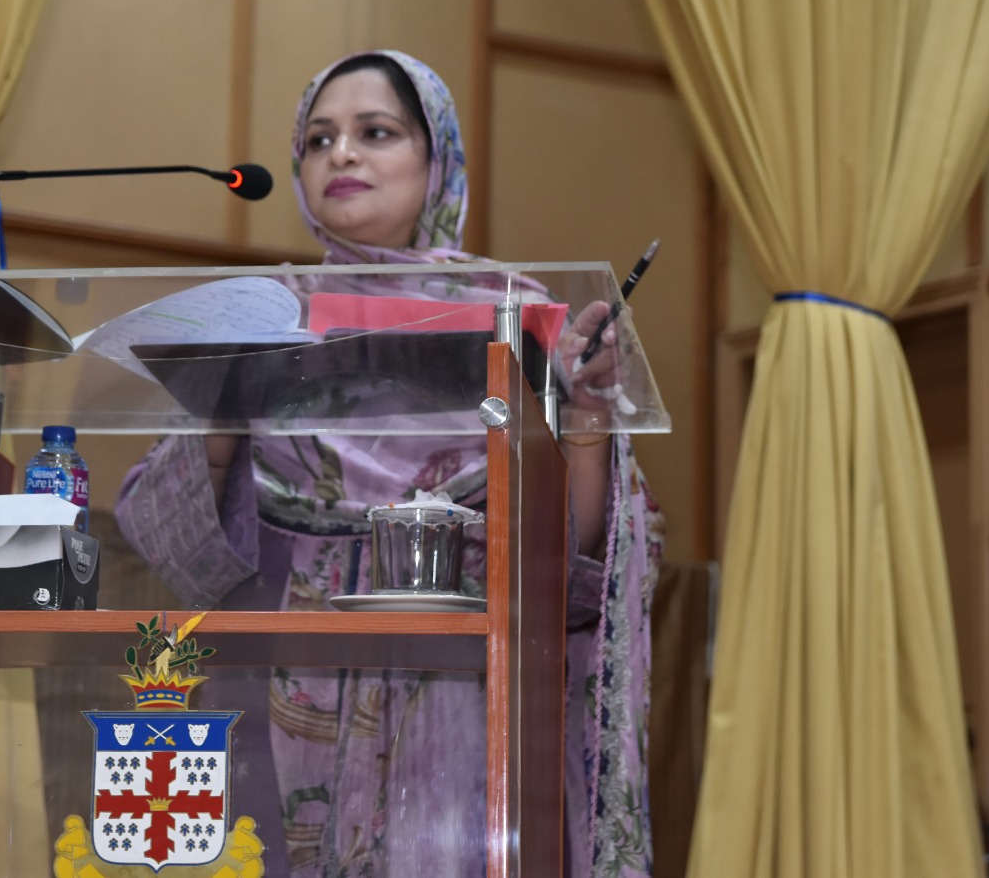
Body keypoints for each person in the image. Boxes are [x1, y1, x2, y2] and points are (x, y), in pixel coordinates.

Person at [115, 50, 660, 877]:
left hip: (461, 691)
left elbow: (580, 565)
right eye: (319, 139)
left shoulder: (517, 318)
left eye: (376, 132)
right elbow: (175, 546)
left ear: (437, 162)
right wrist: (220, 398)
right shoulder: (262, 316)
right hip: (280, 687)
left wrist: (585, 413)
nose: (342, 154)